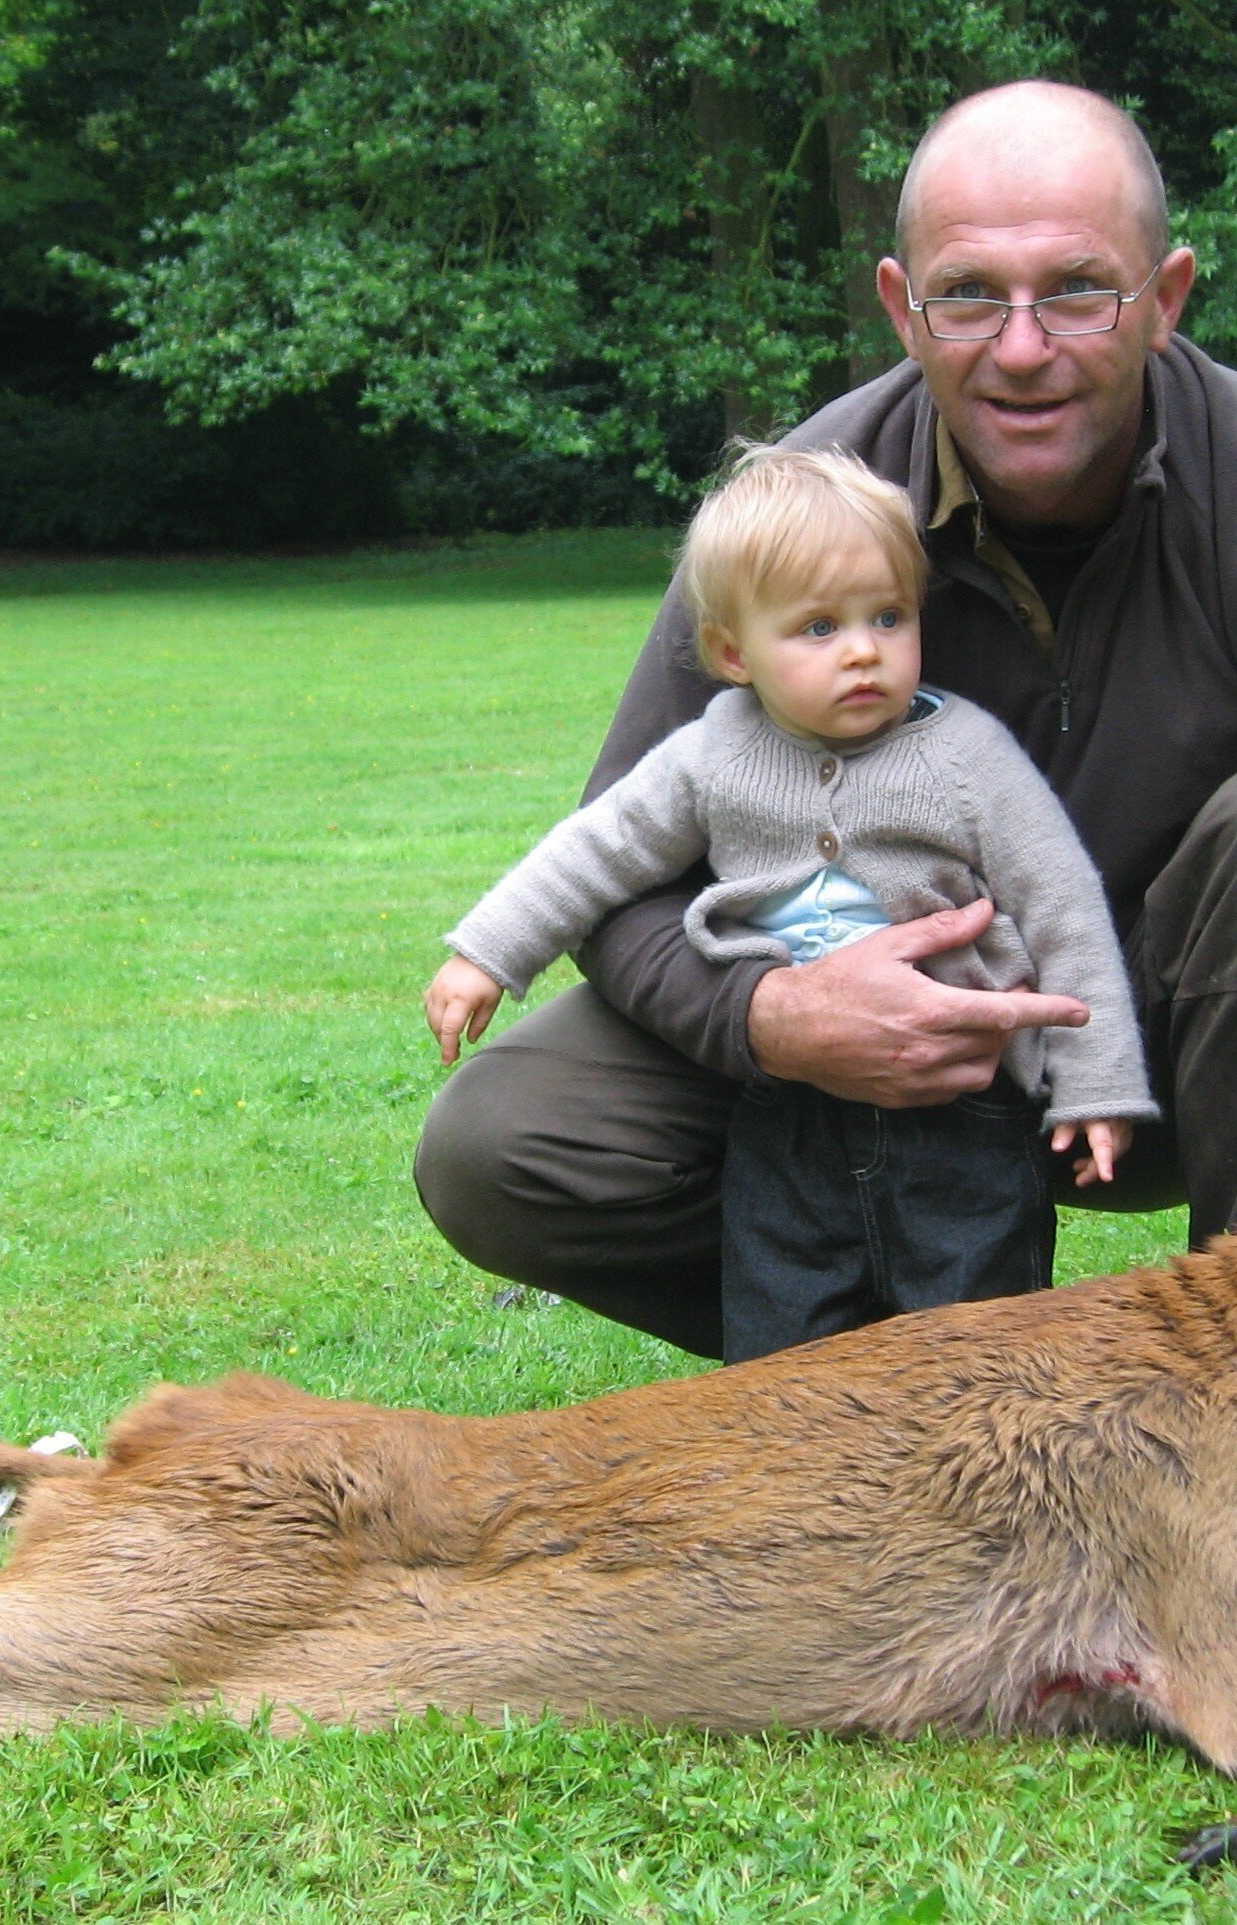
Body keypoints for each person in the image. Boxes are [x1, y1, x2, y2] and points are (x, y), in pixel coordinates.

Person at [415, 79, 1237, 1385]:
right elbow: (622, 868)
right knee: (503, 1143)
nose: (1021, 347)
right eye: (969, 296)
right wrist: (775, 1014)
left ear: (1167, 294)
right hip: (853, 1080)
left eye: (1078, 290)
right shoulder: (796, 518)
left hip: (1182, 1056)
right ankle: (894, 1386)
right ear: (902, 304)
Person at [427, 447, 1157, 1361]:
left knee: (976, 1352)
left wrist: (1097, 1081)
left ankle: (971, 1501)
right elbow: (601, 848)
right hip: (782, 1115)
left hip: (962, 1119)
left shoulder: (968, 758)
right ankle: (796, 1499)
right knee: (778, 1348)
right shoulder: (713, 752)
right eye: (818, 628)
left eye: (888, 616)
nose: (862, 649)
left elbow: (1065, 909)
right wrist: (490, 949)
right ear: (734, 652)